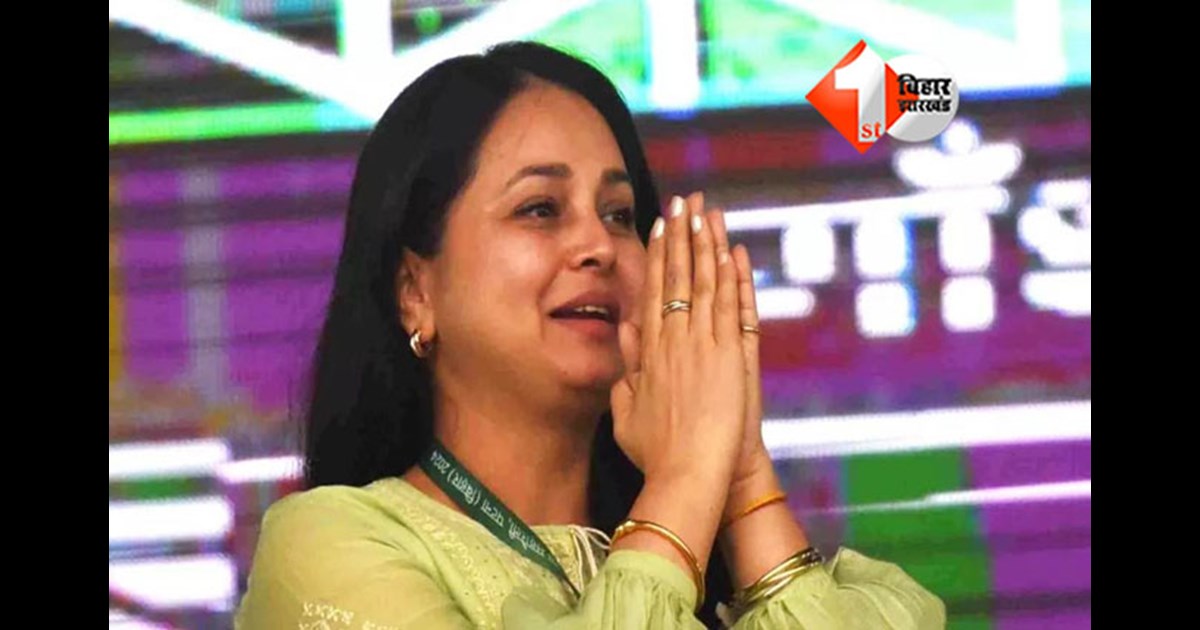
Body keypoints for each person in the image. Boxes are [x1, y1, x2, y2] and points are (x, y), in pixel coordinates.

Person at [234, 41, 946, 629]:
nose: (598, 247)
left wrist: (737, 468)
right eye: (541, 209)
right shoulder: (326, 548)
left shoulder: (699, 558)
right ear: (414, 291)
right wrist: (684, 480)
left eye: (619, 215)